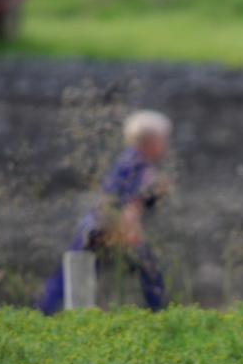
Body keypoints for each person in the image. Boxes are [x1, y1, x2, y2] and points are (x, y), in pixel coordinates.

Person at [36, 111, 175, 315]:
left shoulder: (132, 160)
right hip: (108, 226)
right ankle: (161, 315)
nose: (165, 146)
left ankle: (41, 312)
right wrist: (132, 232)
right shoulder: (137, 164)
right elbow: (126, 202)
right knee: (149, 272)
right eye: (163, 140)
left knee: (72, 273)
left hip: (100, 225)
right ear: (150, 140)